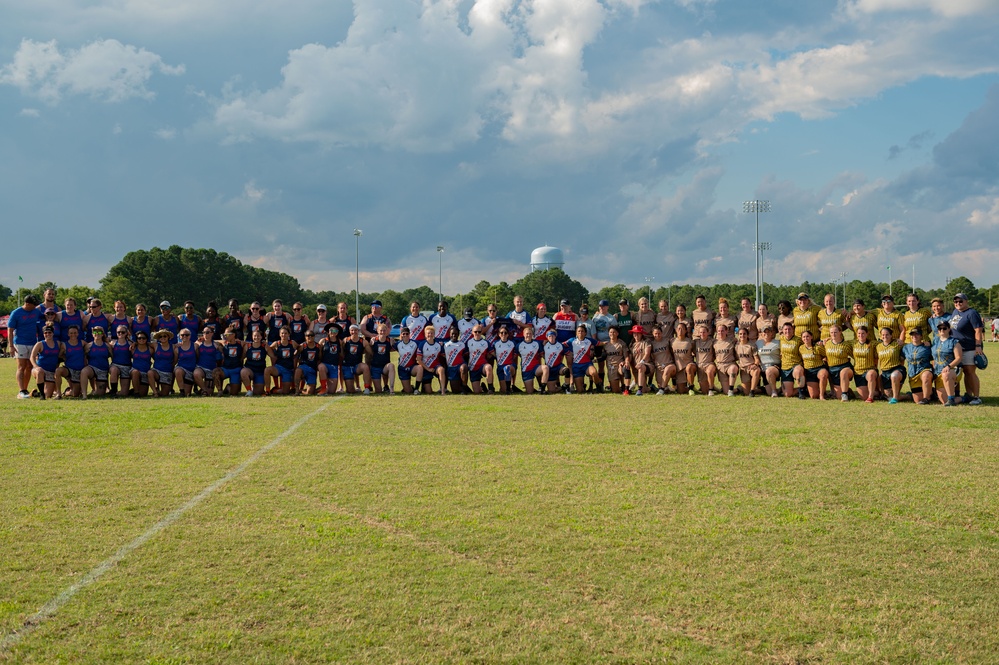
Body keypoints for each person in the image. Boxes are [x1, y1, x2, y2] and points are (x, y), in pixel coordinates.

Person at [949, 293, 984, 405]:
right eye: (956, 302)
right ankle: (969, 395)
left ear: (966, 301)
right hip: (958, 348)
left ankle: (976, 397)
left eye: (960, 301)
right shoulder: (955, 312)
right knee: (963, 372)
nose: (958, 303)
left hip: (969, 347)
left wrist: (978, 346)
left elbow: (978, 330)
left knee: (970, 372)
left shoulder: (972, 313)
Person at [9, 294, 42, 398]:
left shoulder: (36, 311)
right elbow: (10, 330)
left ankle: (25, 390)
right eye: (33, 305)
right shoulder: (16, 313)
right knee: (21, 366)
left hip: (32, 342)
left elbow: (46, 317)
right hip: (20, 342)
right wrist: (10, 346)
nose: (35, 307)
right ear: (27, 303)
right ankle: (21, 390)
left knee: (29, 366)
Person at [931, 321, 963, 406]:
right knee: (943, 401)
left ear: (949, 329)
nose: (942, 330)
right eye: (940, 328)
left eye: (944, 328)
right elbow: (934, 358)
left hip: (953, 369)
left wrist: (949, 366)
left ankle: (951, 399)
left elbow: (959, 358)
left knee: (946, 374)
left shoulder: (954, 342)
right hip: (938, 371)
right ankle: (962, 398)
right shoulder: (935, 342)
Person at [29, 324, 63, 399]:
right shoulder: (40, 344)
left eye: (49, 332)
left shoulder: (58, 343)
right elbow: (32, 356)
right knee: (39, 372)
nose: (48, 334)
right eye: (45, 333)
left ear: (53, 333)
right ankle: (41, 395)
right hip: (40, 369)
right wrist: (36, 367)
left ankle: (35, 393)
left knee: (48, 395)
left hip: (51, 371)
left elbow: (60, 356)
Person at [902, 328, 934, 405]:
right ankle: (932, 392)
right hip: (913, 374)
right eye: (912, 334)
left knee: (926, 375)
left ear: (921, 336)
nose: (914, 336)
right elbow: (901, 359)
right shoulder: (906, 348)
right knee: (918, 400)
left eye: (917, 334)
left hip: (924, 369)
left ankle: (926, 398)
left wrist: (934, 371)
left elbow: (934, 359)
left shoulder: (927, 347)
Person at [823, 325, 855, 401]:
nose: (833, 334)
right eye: (831, 332)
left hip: (845, 367)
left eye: (835, 332)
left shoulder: (846, 345)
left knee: (843, 373)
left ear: (840, 332)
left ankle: (845, 394)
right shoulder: (827, 344)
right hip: (833, 369)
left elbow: (854, 356)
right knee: (838, 396)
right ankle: (848, 391)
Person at [79, 327, 111, 400]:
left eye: (99, 332)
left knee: (100, 394)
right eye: (95, 332)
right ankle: (84, 395)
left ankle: (96, 391)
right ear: (92, 334)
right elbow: (85, 357)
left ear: (102, 334)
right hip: (92, 367)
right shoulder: (89, 346)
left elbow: (112, 356)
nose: (97, 334)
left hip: (103, 370)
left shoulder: (107, 346)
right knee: (84, 372)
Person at [55, 325, 87, 398]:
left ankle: (67, 391)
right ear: (68, 334)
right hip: (69, 369)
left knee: (75, 394)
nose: (73, 335)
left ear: (78, 334)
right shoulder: (64, 345)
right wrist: (64, 357)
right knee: (58, 371)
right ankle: (58, 393)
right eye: (71, 333)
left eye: (75, 333)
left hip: (80, 371)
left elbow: (89, 349)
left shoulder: (82, 343)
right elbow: (59, 355)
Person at [566, 324, 600, 394]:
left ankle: (598, 387)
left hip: (587, 364)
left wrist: (611, 343)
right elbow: (561, 345)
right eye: (578, 331)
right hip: (576, 366)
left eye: (582, 331)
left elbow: (601, 343)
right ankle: (583, 387)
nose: (580, 333)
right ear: (576, 333)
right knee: (580, 391)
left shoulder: (590, 340)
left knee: (594, 372)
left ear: (585, 333)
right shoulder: (571, 341)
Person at [876, 327, 905, 404]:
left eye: (887, 335)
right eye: (883, 335)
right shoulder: (878, 346)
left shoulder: (897, 344)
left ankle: (895, 398)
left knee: (894, 375)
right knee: (888, 395)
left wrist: (903, 343)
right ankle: (908, 396)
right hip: (885, 372)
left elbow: (908, 347)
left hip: (897, 369)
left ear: (891, 335)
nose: (885, 336)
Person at [266, 326, 299, 395]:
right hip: (278, 367)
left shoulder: (292, 343)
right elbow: (268, 349)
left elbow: (299, 348)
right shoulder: (276, 343)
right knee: (267, 370)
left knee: (285, 392)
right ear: (279, 334)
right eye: (282, 333)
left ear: (289, 334)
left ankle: (274, 391)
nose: (284, 335)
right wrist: (273, 356)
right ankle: (268, 390)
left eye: (285, 333)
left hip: (288, 369)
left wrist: (295, 355)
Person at [851, 326, 879, 403]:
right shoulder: (853, 343)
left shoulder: (872, 343)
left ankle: (871, 397)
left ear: (867, 334)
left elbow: (885, 342)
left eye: (863, 333)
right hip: (858, 372)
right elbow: (840, 342)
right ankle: (877, 392)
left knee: (871, 375)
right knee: (863, 397)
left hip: (870, 369)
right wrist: (828, 339)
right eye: (859, 333)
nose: (861, 335)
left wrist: (897, 340)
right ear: (856, 334)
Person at [779, 322, 807, 399]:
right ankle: (805, 387)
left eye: (789, 329)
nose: (787, 331)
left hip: (796, 365)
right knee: (788, 394)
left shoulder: (798, 340)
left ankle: (801, 392)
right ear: (782, 330)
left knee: (798, 371)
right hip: (785, 368)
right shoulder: (780, 339)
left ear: (793, 330)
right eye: (785, 329)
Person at [241, 329, 273, 397]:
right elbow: (242, 357)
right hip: (250, 370)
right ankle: (249, 390)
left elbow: (273, 356)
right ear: (252, 337)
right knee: (243, 372)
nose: (256, 337)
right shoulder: (248, 346)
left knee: (257, 392)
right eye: (254, 336)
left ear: (261, 337)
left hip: (260, 371)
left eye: (258, 336)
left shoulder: (264, 346)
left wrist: (268, 346)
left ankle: (255, 388)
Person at [416, 324, 447, 395]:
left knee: (441, 369)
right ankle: (424, 385)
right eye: (428, 333)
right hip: (426, 368)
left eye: (431, 333)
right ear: (425, 334)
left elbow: (444, 355)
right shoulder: (422, 344)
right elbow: (419, 360)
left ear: (434, 334)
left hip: (435, 366)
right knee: (429, 391)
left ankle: (443, 390)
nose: (430, 335)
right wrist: (428, 369)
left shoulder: (438, 344)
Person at [342, 324, 373, 395]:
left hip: (357, 365)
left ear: (358, 331)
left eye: (355, 330)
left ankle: (367, 388)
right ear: (349, 331)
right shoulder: (346, 340)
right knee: (350, 391)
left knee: (365, 367)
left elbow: (371, 353)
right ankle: (353, 388)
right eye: (352, 330)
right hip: (347, 366)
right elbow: (342, 352)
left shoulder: (363, 342)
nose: (354, 332)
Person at [517, 325, 547, 394]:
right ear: (523, 334)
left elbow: (542, 355)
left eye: (530, 334)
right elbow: (517, 355)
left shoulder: (537, 343)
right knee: (529, 392)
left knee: (545, 368)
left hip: (536, 368)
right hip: (526, 370)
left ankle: (542, 389)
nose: (528, 335)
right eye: (527, 334)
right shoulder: (519, 345)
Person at [194, 325, 223, 396]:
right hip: (201, 367)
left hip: (211, 369)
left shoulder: (216, 345)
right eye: (203, 332)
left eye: (207, 332)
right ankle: (204, 389)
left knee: (209, 393)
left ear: (212, 333)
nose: (205, 334)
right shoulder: (198, 344)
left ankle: (203, 389)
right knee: (196, 373)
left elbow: (221, 358)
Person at [798, 330, 828, 400]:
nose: (806, 338)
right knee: (813, 396)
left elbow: (825, 355)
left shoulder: (818, 347)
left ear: (811, 337)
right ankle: (820, 391)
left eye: (807, 336)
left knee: (823, 375)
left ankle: (822, 395)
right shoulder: (801, 348)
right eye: (804, 337)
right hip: (809, 371)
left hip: (819, 368)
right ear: (802, 338)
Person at [368, 323, 396, 394]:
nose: (382, 332)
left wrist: (393, 342)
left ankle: (391, 389)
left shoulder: (390, 340)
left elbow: (396, 347)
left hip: (385, 367)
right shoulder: (374, 340)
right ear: (377, 331)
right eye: (381, 330)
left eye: (384, 330)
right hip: (375, 367)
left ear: (387, 331)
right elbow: (368, 349)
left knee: (391, 365)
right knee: (378, 391)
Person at [393, 326, 422, 394]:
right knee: (408, 391)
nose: (405, 335)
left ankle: (416, 389)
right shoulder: (398, 344)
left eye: (407, 334)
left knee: (420, 368)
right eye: (403, 334)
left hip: (412, 367)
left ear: (409, 334)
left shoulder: (415, 343)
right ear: (401, 335)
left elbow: (425, 344)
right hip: (402, 368)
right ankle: (410, 387)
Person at [713, 324, 740, 396]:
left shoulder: (732, 341)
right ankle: (739, 389)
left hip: (730, 364)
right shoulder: (714, 342)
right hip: (720, 366)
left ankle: (731, 389)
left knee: (733, 369)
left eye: (722, 331)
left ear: (726, 331)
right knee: (725, 391)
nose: (720, 332)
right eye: (719, 331)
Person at [671, 321, 697, 395]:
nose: (680, 330)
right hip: (679, 368)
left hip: (689, 366)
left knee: (689, 367)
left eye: (682, 329)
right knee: (681, 391)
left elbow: (696, 353)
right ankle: (688, 386)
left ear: (686, 330)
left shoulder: (690, 342)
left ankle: (691, 387)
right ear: (676, 330)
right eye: (679, 329)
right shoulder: (672, 341)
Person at [466, 324, 493, 394]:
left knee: (489, 367)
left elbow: (492, 354)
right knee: (477, 392)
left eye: (479, 332)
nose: (477, 333)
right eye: (475, 332)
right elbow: (465, 354)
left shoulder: (486, 342)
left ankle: (490, 389)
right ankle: (483, 388)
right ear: (472, 332)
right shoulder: (468, 342)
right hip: (473, 368)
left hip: (482, 366)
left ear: (481, 332)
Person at [108, 324, 134, 397]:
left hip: (126, 367)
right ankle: (113, 390)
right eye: (118, 332)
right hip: (115, 365)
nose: (120, 334)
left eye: (122, 332)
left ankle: (131, 390)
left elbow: (134, 356)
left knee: (124, 394)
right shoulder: (113, 343)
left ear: (126, 333)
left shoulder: (130, 344)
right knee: (114, 370)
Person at [650, 324, 677, 395]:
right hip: (659, 368)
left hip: (670, 365)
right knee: (664, 387)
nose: (657, 335)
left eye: (659, 333)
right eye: (655, 333)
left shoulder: (667, 341)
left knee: (667, 370)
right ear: (653, 334)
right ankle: (666, 388)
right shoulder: (652, 344)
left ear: (662, 333)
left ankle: (661, 390)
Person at [149, 329, 176, 397]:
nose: (163, 338)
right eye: (160, 337)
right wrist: (134, 343)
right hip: (156, 371)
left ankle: (159, 391)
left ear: (168, 337)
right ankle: (155, 392)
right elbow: (143, 342)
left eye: (165, 336)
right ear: (158, 338)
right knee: (150, 373)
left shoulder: (173, 347)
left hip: (167, 372)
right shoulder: (155, 345)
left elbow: (175, 360)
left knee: (164, 394)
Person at [756, 325, 781, 398]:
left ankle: (774, 391)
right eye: (764, 332)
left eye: (768, 332)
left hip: (774, 367)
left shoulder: (777, 342)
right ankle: (777, 390)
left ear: (772, 333)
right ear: (761, 334)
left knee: (769, 371)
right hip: (763, 369)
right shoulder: (758, 343)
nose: (766, 333)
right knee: (768, 392)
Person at [735, 328, 761, 397]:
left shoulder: (752, 345)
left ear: (747, 335)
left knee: (756, 370)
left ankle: (752, 391)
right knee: (746, 392)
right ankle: (760, 389)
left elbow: (757, 359)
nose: (742, 335)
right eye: (740, 334)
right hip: (743, 369)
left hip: (750, 367)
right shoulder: (736, 346)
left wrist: (755, 365)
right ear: (738, 335)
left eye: (744, 334)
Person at [318, 323, 343, 396]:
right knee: (321, 367)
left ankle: (319, 389)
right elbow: (319, 354)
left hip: (334, 366)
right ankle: (323, 388)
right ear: (328, 331)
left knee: (332, 391)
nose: (333, 332)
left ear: (338, 332)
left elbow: (341, 354)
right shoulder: (323, 341)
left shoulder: (340, 342)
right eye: (331, 330)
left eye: (335, 330)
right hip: (325, 364)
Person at [219, 328, 246, 396]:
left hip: (236, 370)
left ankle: (228, 387)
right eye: (224, 335)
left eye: (227, 334)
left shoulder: (241, 344)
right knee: (215, 372)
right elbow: (212, 341)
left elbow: (251, 343)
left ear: (233, 335)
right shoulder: (223, 344)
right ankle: (220, 391)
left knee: (234, 393)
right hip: (225, 369)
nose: (225, 336)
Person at [295, 330, 322, 395]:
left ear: (314, 336)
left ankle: (301, 391)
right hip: (303, 366)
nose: (310, 337)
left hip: (312, 369)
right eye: (308, 335)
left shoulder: (318, 346)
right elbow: (295, 356)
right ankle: (296, 390)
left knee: (310, 393)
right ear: (305, 337)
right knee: (298, 371)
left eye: (311, 335)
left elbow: (320, 358)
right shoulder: (302, 346)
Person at [542, 328, 570, 393]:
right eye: (550, 336)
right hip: (550, 369)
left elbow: (567, 353)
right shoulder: (544, 345)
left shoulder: (560, 345)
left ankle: (567, 387)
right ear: (547, 337)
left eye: (553, 336)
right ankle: (563, 388)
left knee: (566, 371)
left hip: (558, 367)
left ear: (555, 336)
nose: (551, 337)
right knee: (552, 390)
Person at [492, 325, 518, 394]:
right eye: (501, 333)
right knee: (503, 390)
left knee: (507, 368)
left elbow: (515, 355)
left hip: (510, 366)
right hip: (500, 367)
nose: (503, 334)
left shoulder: (512, 343)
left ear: (508, 334)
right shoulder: (495, 343)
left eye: (505, 332)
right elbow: (492, 354)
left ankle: (509, 389)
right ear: (499, 334)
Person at [627, 325, 652, 395]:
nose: (636, 335)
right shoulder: (632, 345)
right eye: (634, 333)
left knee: (641, 367)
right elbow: (631, 356)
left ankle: (639, 390)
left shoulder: (646, 342)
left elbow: (647, 354)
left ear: (641, 334)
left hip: (647, 365)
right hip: (636, 369)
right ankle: (649, 388)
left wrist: (641, 362)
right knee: (645, 390)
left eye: (638, 333)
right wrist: (627, 362)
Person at [174, 327, 199, 397]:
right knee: (177, 371)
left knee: (187, 394)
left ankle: (195, 385)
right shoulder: (177, 348)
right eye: (182, 335)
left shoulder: (195, 346)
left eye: (187, 335)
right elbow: (175, 361)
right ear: (179, 336)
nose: (184, 336)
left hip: (192, 370)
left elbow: (198, 358)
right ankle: (181, 390)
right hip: (182, 369)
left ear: (190, 336)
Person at [443, 326, 469, 394]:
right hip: (451, 368)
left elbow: (466, 356)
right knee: (455, 391)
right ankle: (466, 389)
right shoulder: (445, 345)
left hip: (460, 366)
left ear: (458, 334)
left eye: (456, 334)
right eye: (452, 333)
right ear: (449, 334)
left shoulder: (462, 344)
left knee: (464, 367)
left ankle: (464, 387)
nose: (454, 335)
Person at [693, 324, 717, 396]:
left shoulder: (712, 341)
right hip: (700, 365)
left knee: (709, 371)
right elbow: (693, 351)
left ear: (708, 332)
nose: (702, 334)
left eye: (704, 332)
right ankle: (713, 387)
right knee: (704, 391)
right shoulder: (696, 342)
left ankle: (711, 389)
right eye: (701, 332)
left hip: (709, 364)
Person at [130, 330, 153, 397]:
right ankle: (136, 393)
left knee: (143, 394)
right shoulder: (133, 349)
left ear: (146, 339)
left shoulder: (150, 349)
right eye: (139, 338)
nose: (141, 339)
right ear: (136, 339)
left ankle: (132, 391)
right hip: (135, 370)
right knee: (135, 372)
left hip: (145, 372)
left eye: (143, 338)